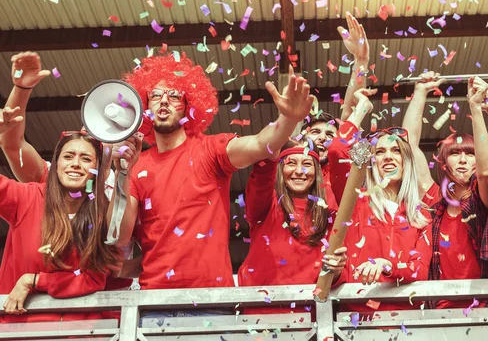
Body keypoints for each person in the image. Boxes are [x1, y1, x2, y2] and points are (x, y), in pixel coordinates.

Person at [114, 54, 315, 295]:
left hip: (213, 301)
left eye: (175, 94)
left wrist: (289, 118)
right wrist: (122, 173)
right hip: (153, 300)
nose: (164, 101)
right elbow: (121, 235)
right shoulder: (136, 165)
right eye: (155, 95)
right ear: (145, 106)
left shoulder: (211, 149)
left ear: (189, 104)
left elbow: (262, 145)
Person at [0, 51, 134, 291]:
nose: (94, 135)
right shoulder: (46, 185)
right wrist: (21, 88)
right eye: (89, 128)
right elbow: (12, 144)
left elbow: (128, 244)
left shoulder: (129, 184)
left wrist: (125, 269)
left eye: (86, 156)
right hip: (21, 321)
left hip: (92, 318)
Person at [0, 120, 139, 323]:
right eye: (68, 156)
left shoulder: (101, 215)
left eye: (85, 159)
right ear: (56, 165)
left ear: (97, 170)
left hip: (77, 333)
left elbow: (93, 279)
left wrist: (35, 280)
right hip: (18, 331)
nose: (75, 163)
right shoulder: (27, 198)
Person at [327, 88, 439, 318]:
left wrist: (386, 264)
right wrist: (360, 112)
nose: (388, 156)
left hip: (407, 324)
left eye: (396, 150)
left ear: (406, 161)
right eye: (380, 152)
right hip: (356, 325)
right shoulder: (355, 201)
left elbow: (420, 270)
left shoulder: (421, 215)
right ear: (372, 161)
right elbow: (338, 150)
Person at [402, 75, 488, 309]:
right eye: (455, 154)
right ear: (443, 162)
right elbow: (408, 146)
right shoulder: (433, 201)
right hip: (439, 311)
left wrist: (476, 108)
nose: (462, 160)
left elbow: (487, 172)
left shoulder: (479, 198)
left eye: (470, 154)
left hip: (486, 309)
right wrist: (420, 92)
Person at [237, 141, 346, 314]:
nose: (299, 171)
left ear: (317, 172)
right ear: (280, 169)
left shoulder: (330, 215)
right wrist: (276, 137)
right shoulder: (265, 206)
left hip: (310, 321)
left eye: (307, 164)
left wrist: (338, 271)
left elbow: (337, 274)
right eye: (291, 163)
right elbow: (261, 179)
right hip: (260, 317)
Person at [301, 12, 369, 203]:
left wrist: (360, 61)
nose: (322, 137)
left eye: (330, 135)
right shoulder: (289, 172)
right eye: (315, 132)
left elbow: (351, 110)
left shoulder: (339, 172)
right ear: (300, 138)